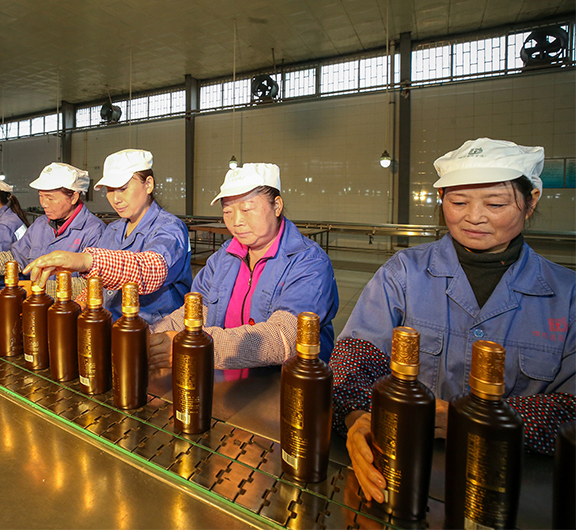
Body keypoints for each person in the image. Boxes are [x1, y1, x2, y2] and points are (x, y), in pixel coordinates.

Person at [332, 138, 576, 504]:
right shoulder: (404, 274)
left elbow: (572, 410)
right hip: (403, 472)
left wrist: (475, 420)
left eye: (495, 204)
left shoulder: (567, 296)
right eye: (458, 202)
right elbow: (353, 360)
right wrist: (357, 418)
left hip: (517, 490)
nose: (474, 216)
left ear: (531, 202)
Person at [148, 163, 339, 369]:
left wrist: (196, 346)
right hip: (226, 375)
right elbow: (196, 311)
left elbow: (285, 337)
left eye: (247, 209)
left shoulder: (308, 262)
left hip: (284, 381)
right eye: (227, 211)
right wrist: (151, 335)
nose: (237, 221)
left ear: (277, 206)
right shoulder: (223, 258)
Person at [23, 149, 192, 324]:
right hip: (110, 325)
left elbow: (152, 269)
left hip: (151, 330)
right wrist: (81, 303)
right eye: (110, 190)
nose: (115, 199)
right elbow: (100, 283)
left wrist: (86, 260)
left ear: (148, 184)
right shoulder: (113, 229)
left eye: (123, 189)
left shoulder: (170, 228)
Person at [0, 163, 105, 286]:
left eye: (50, 198)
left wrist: (38, 288)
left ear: (73, 197)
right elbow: (16, 259)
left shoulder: (94, 231)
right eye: (40, 196)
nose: (43, 204)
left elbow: (92, 285)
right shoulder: (41, 224)